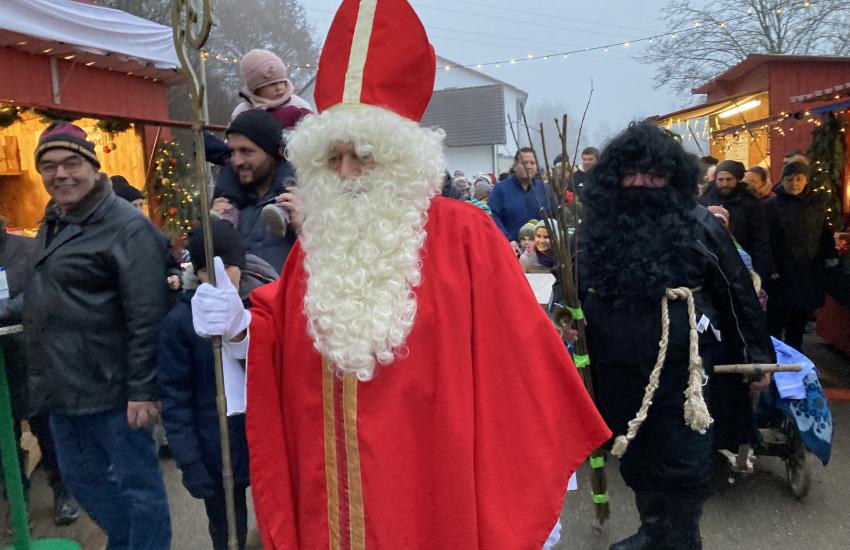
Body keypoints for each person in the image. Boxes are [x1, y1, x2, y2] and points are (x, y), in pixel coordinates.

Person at [191, 1, 610, 547]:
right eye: (332, 157)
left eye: (363, 154)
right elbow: (282, 330)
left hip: (434, 494)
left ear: (402, 157)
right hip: (331, 502)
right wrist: (240, 326)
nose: (346, 173)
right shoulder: (320, 241)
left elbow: (523, 370)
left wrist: (528, 496)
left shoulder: (466, 236)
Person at [580, 121, 774, 550]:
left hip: (688, 373)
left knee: (683, 464)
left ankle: (681, 538)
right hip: (618, 370)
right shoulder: (597, 227)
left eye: (653, 174)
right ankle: (655, 530)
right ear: (615, 176)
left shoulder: (699, 224)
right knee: (634, 456)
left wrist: (757, 352)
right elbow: (574, 288)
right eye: (631, 173)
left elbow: (736, 289)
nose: (640, 184)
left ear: (672, 177)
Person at [22, 122, 172, 549]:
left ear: (93, 166)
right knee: (81, 481)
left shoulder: (125, 226)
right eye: (49, 166)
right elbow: (47, 294)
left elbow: (148, 313)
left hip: (115, 389)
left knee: (139, 489)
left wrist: (144, 388)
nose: (61, 174)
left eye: (72, 163)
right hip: (65, 388)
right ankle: (128, 542)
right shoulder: (57, 221)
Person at [157, 221, 259, 550]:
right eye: (206, 270)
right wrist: (189, 460)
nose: (219, 277)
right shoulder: (179, 324)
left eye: (228, 266)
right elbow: (175, 397)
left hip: (258, 438)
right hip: (214, 445)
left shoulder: (258, 310)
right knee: (228, 525)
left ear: (240, 265)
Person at [0, 216, 80, 526]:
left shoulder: (27, 250)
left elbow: (38, 295)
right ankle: (17, 503)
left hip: (29, 358)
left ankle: (63, 492)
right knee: (4, 440)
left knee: (47, 431)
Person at [212, 110, 302, 272]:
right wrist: (215, 233)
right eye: (232, 151)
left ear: (272, 152)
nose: (237, 161)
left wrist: (304, 228)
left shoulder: (302, 198)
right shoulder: (228, 202)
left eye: (246, 151)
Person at [765, 161, 838, 351]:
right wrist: (769, 267)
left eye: (799, 179)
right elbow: (764, 240)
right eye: (789, 179)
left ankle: (795, 356)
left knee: (798, 320)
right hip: (780, 273)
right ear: (782, 181)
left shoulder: (817, 203)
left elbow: (825, 233)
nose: (794, 183)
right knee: (775, 319)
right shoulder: (771, 206)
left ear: (806, 180)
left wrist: (830, 256)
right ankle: (773, 357)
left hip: (807, 272)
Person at [698, 159, 775, 279]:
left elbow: (760, 240)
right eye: (720, 180)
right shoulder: (704, 200)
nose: (724, 184)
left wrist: (761, 271)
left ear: (737, 180)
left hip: (744, 263)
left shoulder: (750, 203)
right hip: (713, 265)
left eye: (729, 179)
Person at [111, 174, 182, 291]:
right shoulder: (109, 239)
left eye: (141, 205)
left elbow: (171, 264)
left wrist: (175, 277)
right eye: (134, 206)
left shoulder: (154, 235)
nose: (139, 211)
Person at [489, 147, 553, 253]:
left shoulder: (545, 190)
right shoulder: (501, 190)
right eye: (524, 163)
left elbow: (552, 218)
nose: (528, 166)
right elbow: (492, 216)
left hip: (540, 254)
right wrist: (508, 240)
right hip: (509, 250)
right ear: (515, 166)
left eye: (532, 163)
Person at [231, 49, 313, 128]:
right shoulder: (242, 112)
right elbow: (234, 138)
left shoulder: (298, 105)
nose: (279, 88)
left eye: (282, 82)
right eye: (272, 84)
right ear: (256, 89)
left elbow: (314, 133)